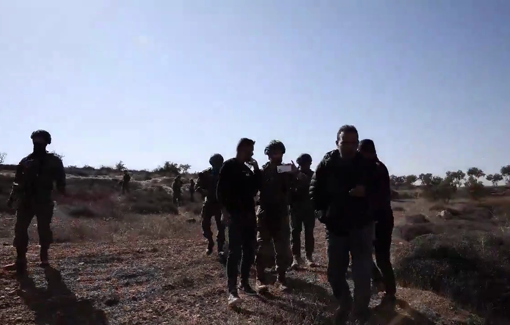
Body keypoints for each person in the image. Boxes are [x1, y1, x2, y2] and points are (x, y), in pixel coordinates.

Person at [309, 125, 378, 323]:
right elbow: (314, 190)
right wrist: (322, 213)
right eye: (345, 142)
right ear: (337, 142)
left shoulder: (367, 165)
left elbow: (380, 193)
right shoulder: (327, 163)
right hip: (336, 227)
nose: (349, 146)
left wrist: (365, 194)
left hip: (361, 227)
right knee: (335, 273)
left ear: (357, 143)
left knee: (362, 274)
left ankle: (361, 311)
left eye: (353, 142)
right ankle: (345, 303)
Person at [4, 130, 66, 273]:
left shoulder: (54, 161)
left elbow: (61, 180)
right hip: (26, 200)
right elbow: (17, 182)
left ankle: (44, 258)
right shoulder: (25, 161)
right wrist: (12, 198)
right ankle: (20, 260)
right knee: (20, 229)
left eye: (41, 139)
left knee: (43, 229)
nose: (37, 142)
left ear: (47, 142)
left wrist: (62, 194)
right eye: (35, 139)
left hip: (44, 200)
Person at [216, 138, 259, 307]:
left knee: (249, 250)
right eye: (250, 150)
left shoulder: (247, 170)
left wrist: (255, 168)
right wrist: (224, 211)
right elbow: (220, 191)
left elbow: (255, 189)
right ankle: (232, 291)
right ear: (241, 149)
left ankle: (245, 283)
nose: (252, 153)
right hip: (234, 215)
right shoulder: (229, 166)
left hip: (249, 215)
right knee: (234, 252)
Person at [255, 140, 298, 293]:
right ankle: (260, 278)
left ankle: (281, 278)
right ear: (268, 154)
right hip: (265, 212)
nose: (275, 155)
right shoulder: (262, 171)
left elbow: (297, 185)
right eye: (273, 152)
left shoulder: (285, 169)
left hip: (280, 213)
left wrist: (295, 174)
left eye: (278, 152)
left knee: (282, 247)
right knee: (262, 246)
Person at [358, 139, 397, 307]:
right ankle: (379, 282)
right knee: (362, 254)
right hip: (369, 219)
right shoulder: (366, 168)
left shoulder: (377, 169)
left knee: (381, 257)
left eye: (362, 152)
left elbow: (379, 195)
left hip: (380, 220)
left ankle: (390, 292)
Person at [290, 153, 316, 269]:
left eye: (304, 165)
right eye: (300, 165)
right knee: (295, 233)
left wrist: (296, 173)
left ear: (309, 164)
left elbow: (309, 182)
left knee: (309, 233)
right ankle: (296, 257)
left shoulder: (313, 175)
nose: (302, 167)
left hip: (308, 208)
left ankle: (309, 256)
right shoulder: (292, 174)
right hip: (296, 208)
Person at [196, 154, 225, 258]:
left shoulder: (225, 173)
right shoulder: (205, 174)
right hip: (208, 203)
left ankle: (221, 248)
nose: (217, 165)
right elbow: (197, 186)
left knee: (221, 227)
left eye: (219, 163)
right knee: (205, 225)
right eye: (215, 163)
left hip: (220, 204)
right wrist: (203, 191)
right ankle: (210, 242)